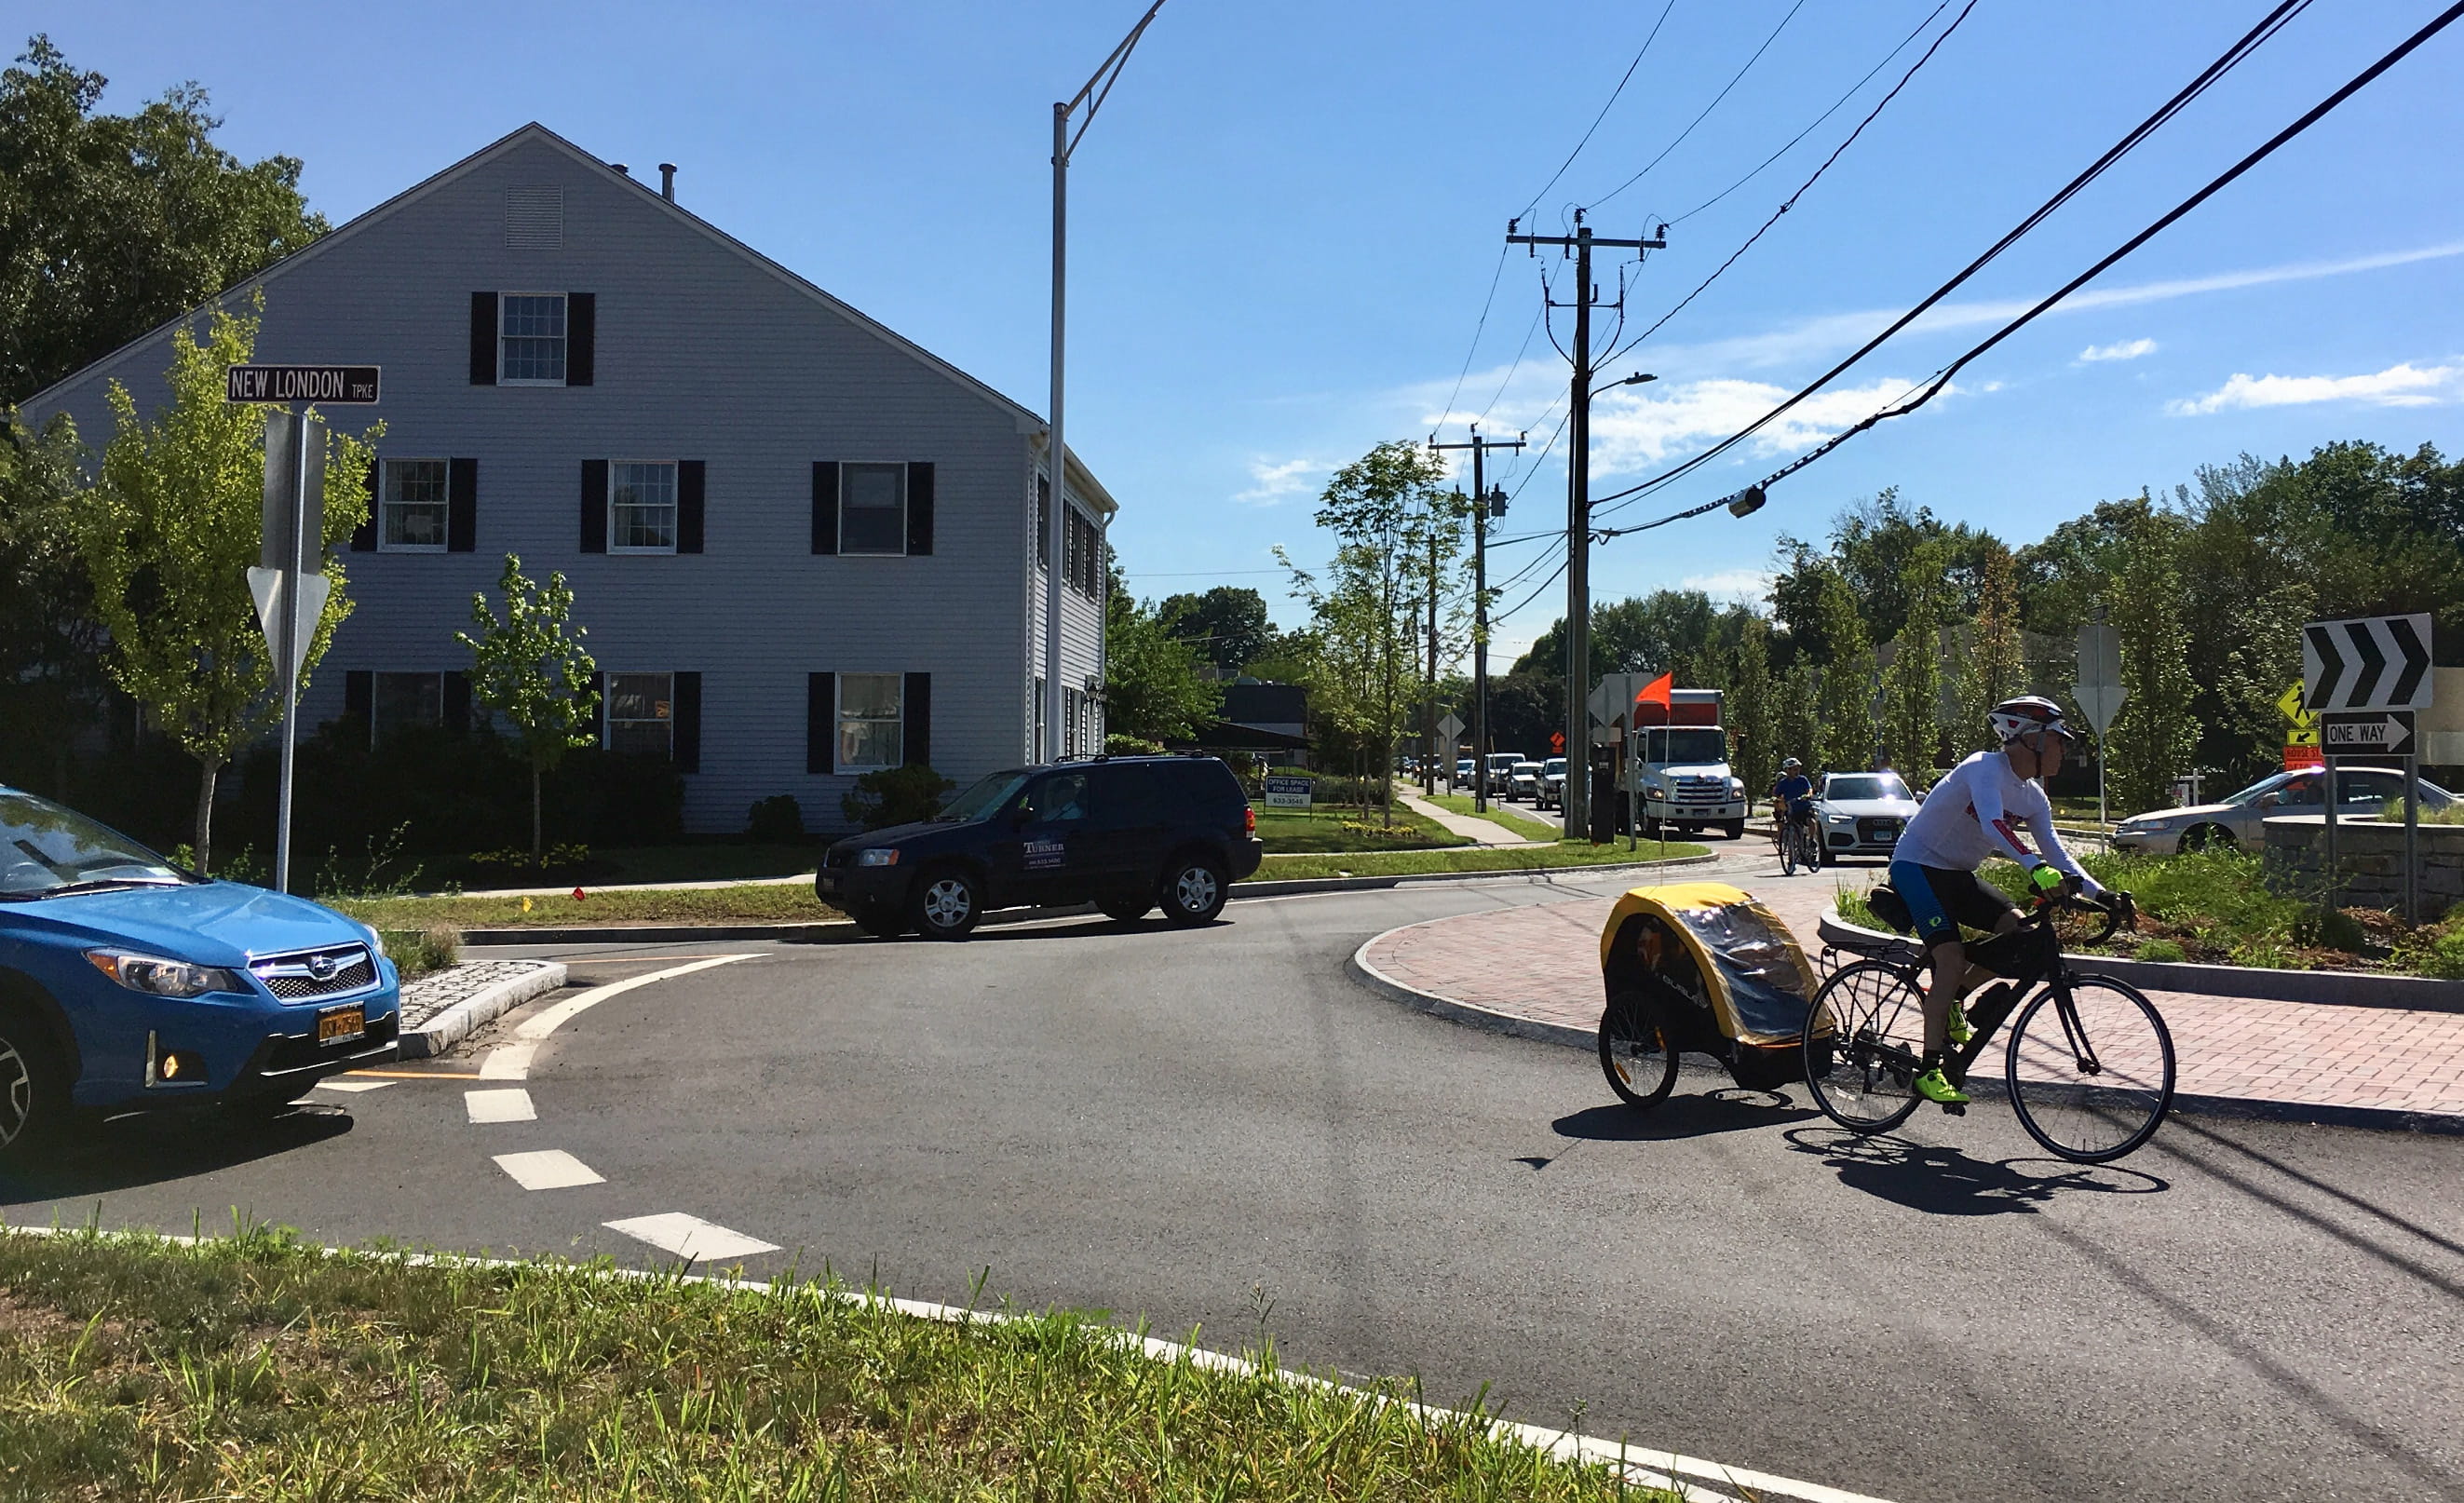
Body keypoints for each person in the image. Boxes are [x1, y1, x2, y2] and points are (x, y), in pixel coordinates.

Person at [1889, 696, 2107, 1107]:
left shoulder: (2033, 797)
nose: (2064, 748)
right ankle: (1929, 1069)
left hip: (1958, 875)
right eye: (2058, 740)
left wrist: (2102, 894)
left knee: (2019, 931)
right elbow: (1992, 823)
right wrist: (2032, 866)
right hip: (1916, 865)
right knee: (1950, 959)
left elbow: (2061, 856)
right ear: (2031, 740)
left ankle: (1952, 993)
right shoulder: (1984, 767)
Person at [1771, 758, 1816, 851]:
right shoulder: (1783, 783)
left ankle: (1811, 840)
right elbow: (1775, 794)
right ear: (1788, 770)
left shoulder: (1803, 779)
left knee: (1811, 821)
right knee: (1791, 826)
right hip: (1791, 809)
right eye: (1794, 769)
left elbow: (1809, 789)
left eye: (1798, 769)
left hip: (1804, 807)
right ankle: (1793, 847)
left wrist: (1808, 795)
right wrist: (1775, 799)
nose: (1797, 771)